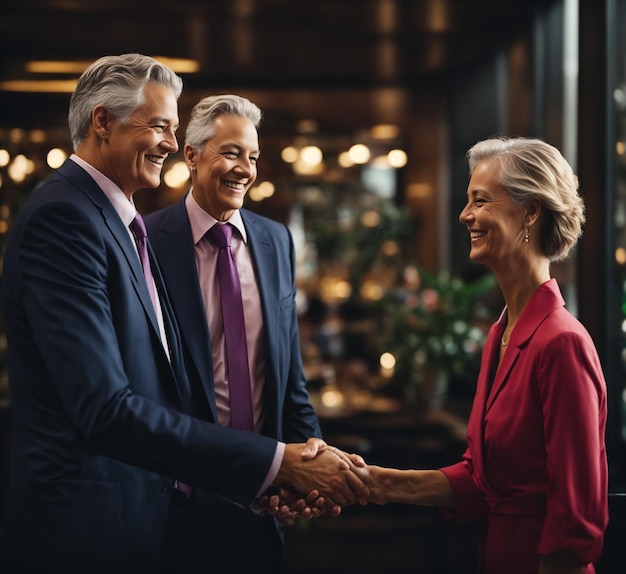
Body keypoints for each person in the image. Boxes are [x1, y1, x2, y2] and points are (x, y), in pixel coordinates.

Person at [0, 54, 367, 574]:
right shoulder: (66, 217)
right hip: (89, 532)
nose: (170, 144)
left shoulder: (117, 221)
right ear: (102, 122)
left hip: (145, 520)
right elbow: (106, 409)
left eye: (173, 129)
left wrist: (287, 463)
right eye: (159, 126)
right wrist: (272, 462)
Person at [354, 137, 609, 574]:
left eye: (480, 200)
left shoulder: (562, 342)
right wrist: (372, 482)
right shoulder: (500, 332)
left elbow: (576, 519)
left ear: (531, 211)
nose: (465, 215)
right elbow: (480, 481)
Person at [144, 93, 328, 572]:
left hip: (263, 502)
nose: (244, 169)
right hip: (176, 505)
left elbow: (290, 376)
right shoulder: (147, 241)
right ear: (191, 156)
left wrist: (311, 457)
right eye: (230, 153)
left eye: (252, 157)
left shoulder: (275, 240)